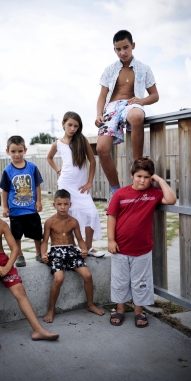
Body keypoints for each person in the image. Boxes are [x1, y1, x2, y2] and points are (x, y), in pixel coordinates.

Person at [0, 189, 59, 356]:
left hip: (3, 260)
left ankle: (37, 329)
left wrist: (7, 266)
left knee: (19, 291)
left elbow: (15, 248)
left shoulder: (1, 224)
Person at [107, 157, 176, 327]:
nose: (142, 180)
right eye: (139, 176)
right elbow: (111, 216)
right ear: (132, 175)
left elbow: (171, 199)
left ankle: (139, 311)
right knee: (120, 281)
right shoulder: (121, 194)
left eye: (147, 177)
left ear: (151, 178)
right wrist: (110, 240)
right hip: (120, 248)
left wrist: (159, 180)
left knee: (141, 282)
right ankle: (120, 309)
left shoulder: (153, 193)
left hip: (142, 249)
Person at [95, 30, 159, 206]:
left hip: (132, 104)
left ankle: (138, 169)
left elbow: (155, 95)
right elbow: (102, 96)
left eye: (125, 47)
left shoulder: (144, 69)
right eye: (118, 49)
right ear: (114, 50)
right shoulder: (109, 70)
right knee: (101, 148)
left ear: (133, 46)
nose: (122, 52)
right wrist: (99, 114)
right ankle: (115, 189)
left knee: (138, 115)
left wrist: (141, 100)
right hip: (112, 107)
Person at [41, 189, 105, 323]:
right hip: (56, 252)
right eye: (59, 204)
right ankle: (51, 309)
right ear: (54, 205)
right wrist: (43, 254)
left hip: (71, 250)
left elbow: (80, 239)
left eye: (66, 204)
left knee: (87, 275)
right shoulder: (50, 222)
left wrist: (83, 249)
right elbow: (45, 241)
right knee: (59, 279)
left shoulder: (73, 221)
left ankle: (90, 304)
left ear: (70, 204)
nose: (63, 207)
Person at [47, 111, 104, 258]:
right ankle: (71, 247)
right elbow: (49, 158)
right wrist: (58, 170)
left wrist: (89, 181)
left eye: (76, 126)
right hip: (65, 184)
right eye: (70, 125)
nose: (72, 128)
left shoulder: (81, 140)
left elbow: (92, 161)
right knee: (68, 215)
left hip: (80, 187)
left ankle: (89, 247)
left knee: (91, 213)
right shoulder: (58, 144)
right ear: (63, 124)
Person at [0, 135, 43, 267]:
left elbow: (37, 185)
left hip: (31, 209)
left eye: (20, 151)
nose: (17, 154)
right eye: (13, 151)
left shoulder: (32, 167)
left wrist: (39, 201)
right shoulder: (7, 171)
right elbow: (5, 190)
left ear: (25, 150)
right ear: (8, 151)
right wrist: (5, 207)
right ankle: (19, 255)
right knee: (16, 236)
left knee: (37, 233)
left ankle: (39, 252)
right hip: (15, 211)